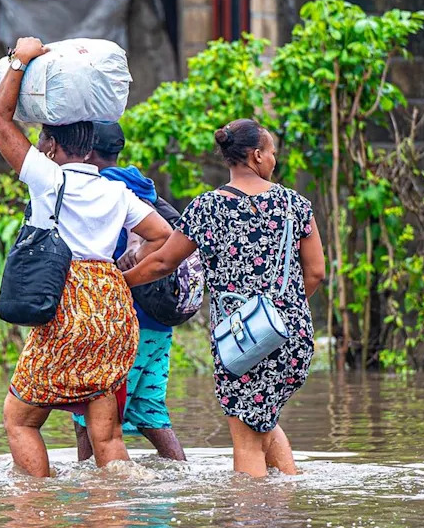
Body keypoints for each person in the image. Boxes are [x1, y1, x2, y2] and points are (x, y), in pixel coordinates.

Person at [0, 36, 172, 477]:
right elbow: (163, 236)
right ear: (91, 144)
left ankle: (37, 509)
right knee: (105, 432)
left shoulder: (48, 179)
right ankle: (112, 522)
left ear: (50, 146)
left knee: (20, 420)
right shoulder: (116, 191)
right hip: (112, 309)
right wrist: (123, 275)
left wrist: (19, 60)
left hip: (65, 306)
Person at [122, 119, 325, 478]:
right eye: (273, 152)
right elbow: (316, 273)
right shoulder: (296, 205)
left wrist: (120, 282)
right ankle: (288, 509)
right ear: (257, 155)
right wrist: (282, 312)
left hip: (241, 340)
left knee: (246, 440)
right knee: (263, 420)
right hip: (292, 334)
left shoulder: (206, 208)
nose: (274, 160)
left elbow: (164, 262)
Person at [71, 122, 187, 462]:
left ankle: (90, 496)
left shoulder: (99, 191)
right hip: (160, 322)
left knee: (88, 415)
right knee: (149, 407)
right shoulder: (143, 188)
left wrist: (121, 282)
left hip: (124, 323)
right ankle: (179, 480)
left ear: (87, 152)